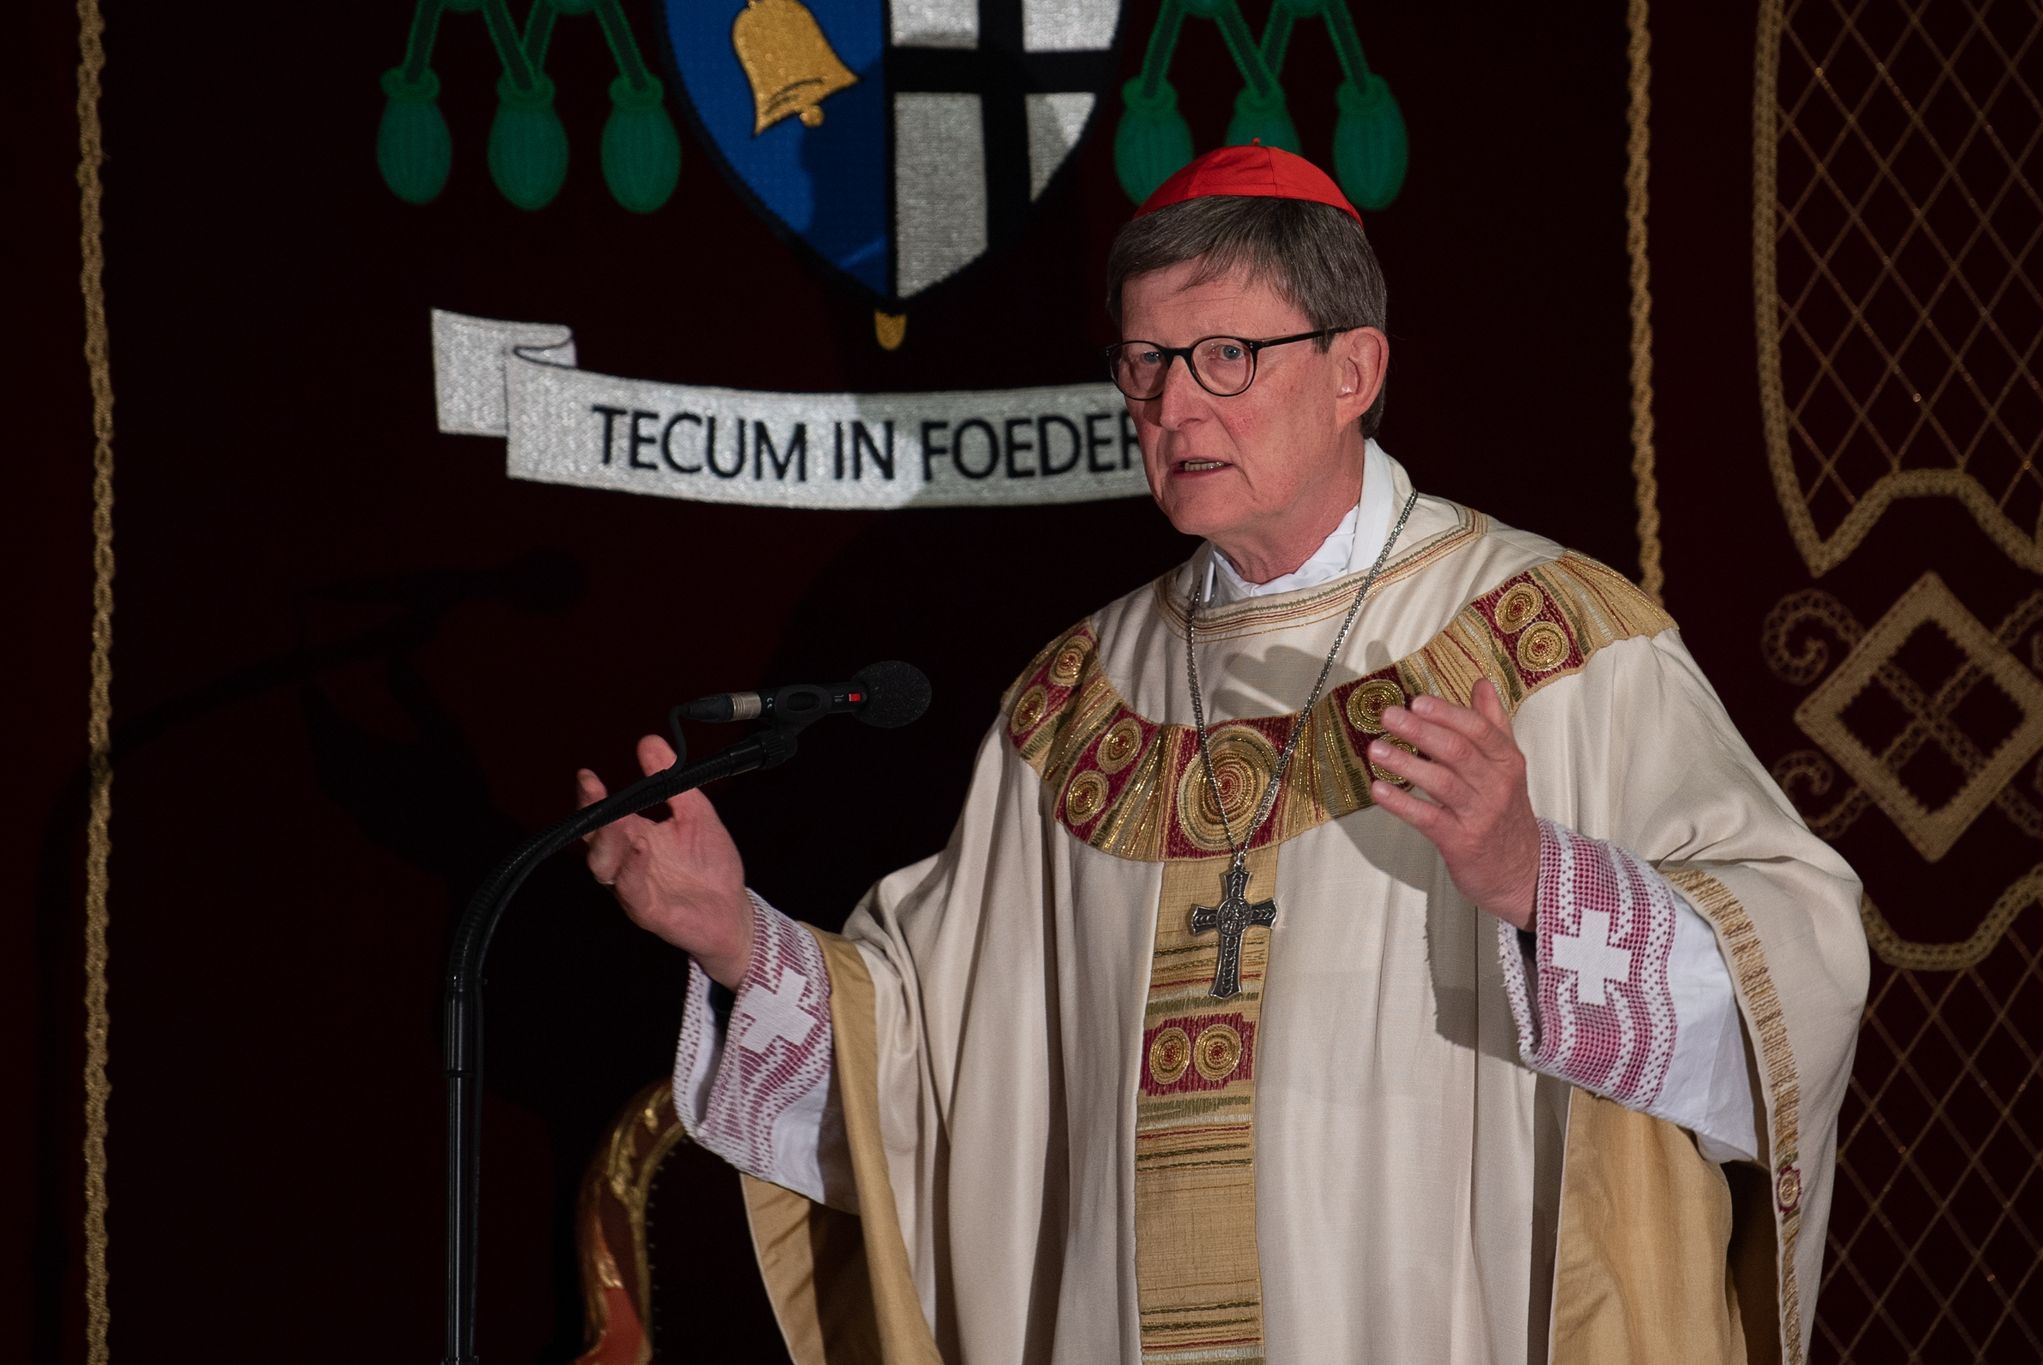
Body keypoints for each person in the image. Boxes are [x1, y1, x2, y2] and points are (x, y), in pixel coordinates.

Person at [577, 145, 1866, 1365]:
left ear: (1355, 369)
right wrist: (735, 936)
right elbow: (934, 1073)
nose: (1172, 405)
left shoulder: (1553, 639)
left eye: (1225, 356)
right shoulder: (1074, 703)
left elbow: (1801, 951)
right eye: (1144, 366)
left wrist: (1539, 882)